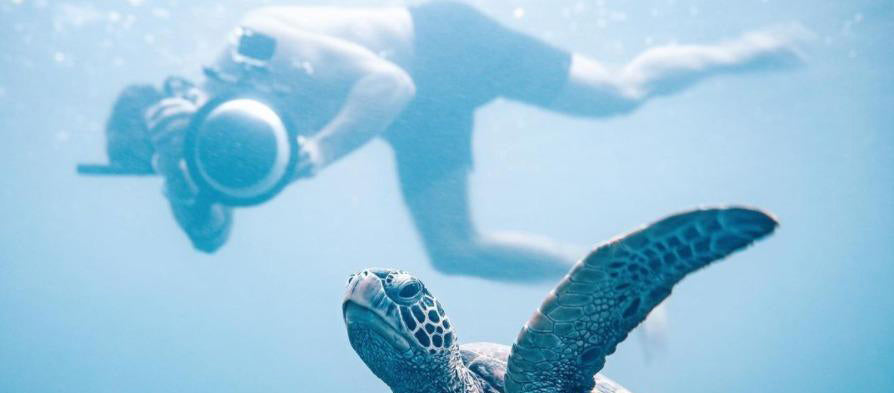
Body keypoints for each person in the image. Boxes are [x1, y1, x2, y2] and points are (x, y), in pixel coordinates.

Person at [107, 2, 804, 281]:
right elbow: (212, 235)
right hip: (410, 113)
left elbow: (389, 86)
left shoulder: (253, 46)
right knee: (453, 250)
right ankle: (598, 274)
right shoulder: (197, 154)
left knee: (618, 94)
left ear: (178, 96)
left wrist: (318, 152)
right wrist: (176, 177)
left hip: (439, 45)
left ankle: (738, 52)